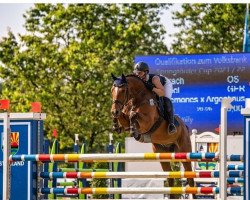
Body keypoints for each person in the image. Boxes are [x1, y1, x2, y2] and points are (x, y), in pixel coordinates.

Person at [133, 61, 177, 134]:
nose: (137, 75)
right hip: (155, 87)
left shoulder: (154, 79)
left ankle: (171, 124)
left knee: (166, 99)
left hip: (165, 85)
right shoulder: (139, 80)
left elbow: (162, 93)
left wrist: (152, 88)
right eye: (136, 73)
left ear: (146, 72)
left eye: (140, 73)